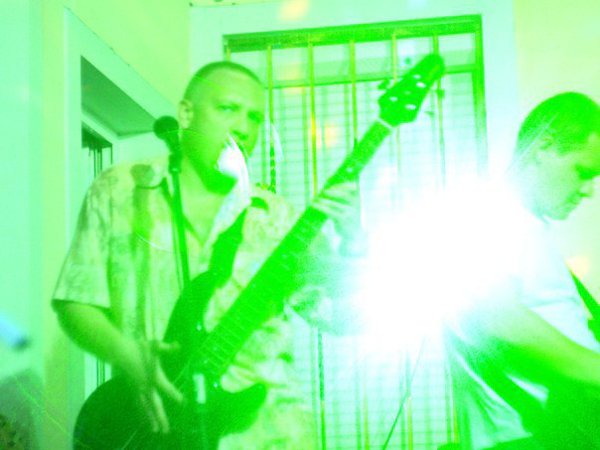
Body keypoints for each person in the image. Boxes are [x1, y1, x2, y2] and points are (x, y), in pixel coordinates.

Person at [53, 61, 364, 449]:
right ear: (186, 114)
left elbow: (341, 318)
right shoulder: (122, 190)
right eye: (228, 109)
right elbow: (76, 301)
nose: (244, 128)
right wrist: (127, 355)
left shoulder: (278, 219)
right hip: (156, 426)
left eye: (255, 117)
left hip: (270, 434)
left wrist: (353, 239)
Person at [443, 92, 600, 449]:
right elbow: (497, 316)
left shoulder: (524, 225)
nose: (589, 190)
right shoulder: (492, 215)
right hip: (529, 439)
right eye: (583, 172)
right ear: (544, 147)